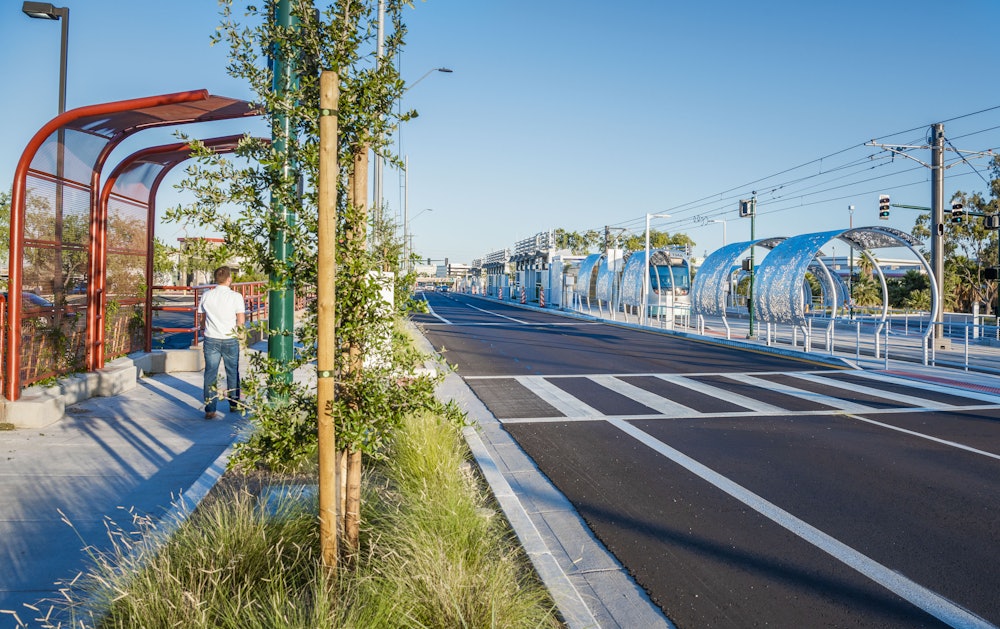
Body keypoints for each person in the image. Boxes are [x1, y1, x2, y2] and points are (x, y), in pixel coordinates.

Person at [198, 266, 246, 420]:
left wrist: (203, 328)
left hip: (211, 338)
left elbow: (202, 318)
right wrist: (240, 333)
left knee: (210, 373)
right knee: (232, 372)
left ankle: (210, 409)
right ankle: (233, 404)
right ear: (229, 279)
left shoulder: (206, 295)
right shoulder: (236, 296)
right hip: (230, 339)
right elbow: (240, 319)